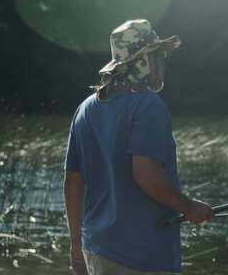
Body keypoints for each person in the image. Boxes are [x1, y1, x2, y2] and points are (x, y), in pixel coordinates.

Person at [64, 19, 213, 275]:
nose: (161, 63)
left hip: (96, 251)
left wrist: (76, 245)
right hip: (143, 256)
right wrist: (190, 208)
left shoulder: (85, 109)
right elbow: (145, 174)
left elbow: (73, 182)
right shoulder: (148, 106)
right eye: (157, 56)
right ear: (142, 61)